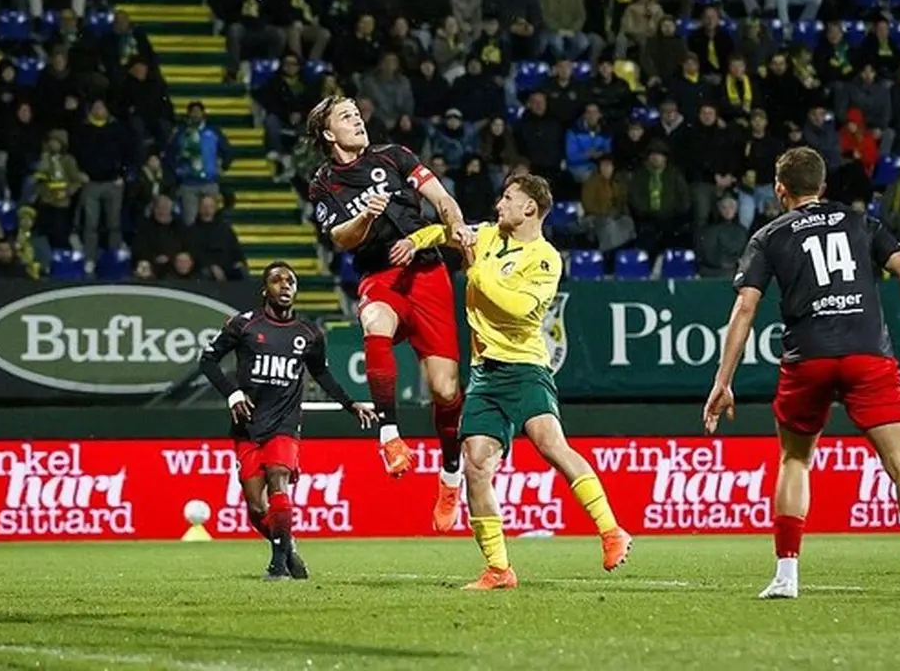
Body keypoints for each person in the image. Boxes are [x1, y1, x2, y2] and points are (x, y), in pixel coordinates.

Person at [702, 148, 900, 603]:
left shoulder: (770, 235)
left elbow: (745, 307)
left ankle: (786, 576)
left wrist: (722, 381)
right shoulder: (860, 222)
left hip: (806, 359)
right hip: (866, 354)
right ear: (823, 187)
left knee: (795, 460)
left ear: (780, 190)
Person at [394, 175, 633, 589]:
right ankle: (500, 569)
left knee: (551, 445)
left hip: (525, 369)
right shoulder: (487, 236)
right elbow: (453, 231)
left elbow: (518, 309)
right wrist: (419, 241)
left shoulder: (544, 260)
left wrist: (476, 269)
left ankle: (612, 532)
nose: (499, 203)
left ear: (529, 209)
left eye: (508, 197)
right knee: (476, 465)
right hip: (485, 373)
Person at [305, 96, 475, 533]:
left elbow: (441, 197)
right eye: (345, 117)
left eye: (357, 114)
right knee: (373, 322)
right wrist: (364, 217)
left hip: (428, 273)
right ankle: (390, 438)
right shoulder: (325, 183)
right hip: (379, 274)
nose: (357, 120)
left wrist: (454, 223)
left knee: (445, 390)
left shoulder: (395, 156)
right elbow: (341, 239)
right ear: (328, 134)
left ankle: (450, 476)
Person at [198, 263, 378, 580]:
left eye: (291, 281)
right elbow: (208, 359)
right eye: (277, 280)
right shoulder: (245, 324)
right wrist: (233, 395)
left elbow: (321, 373)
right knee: (256, 508)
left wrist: (350, 403)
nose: (285, 285)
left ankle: (277, 565)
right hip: (248, 424)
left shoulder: (308, 333)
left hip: (285, 422)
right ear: (265, 290)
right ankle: (288, 547)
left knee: (278, 478)